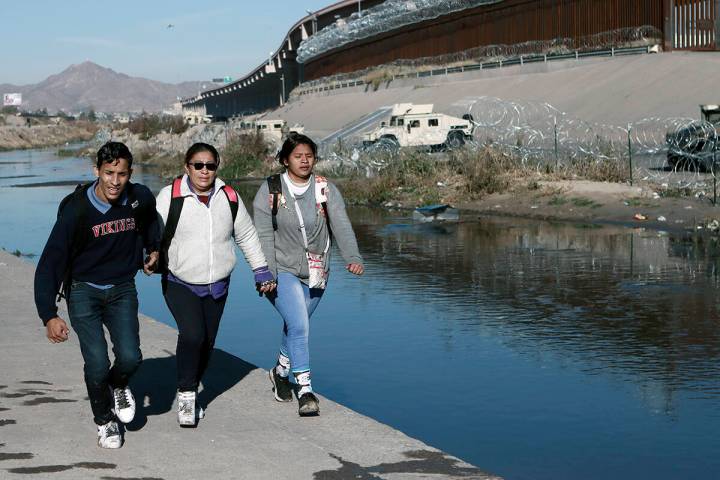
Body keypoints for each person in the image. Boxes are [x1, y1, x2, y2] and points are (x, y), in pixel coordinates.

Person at [34, 141, 160, 449]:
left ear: (130, 173)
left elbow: (151, 221)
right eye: (108, 173)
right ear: (96, 171)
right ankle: (105, 421)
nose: (115, 181)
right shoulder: (76, 210)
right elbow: (51, 261)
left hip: (122, 289)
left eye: (122, 174)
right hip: (83, 292)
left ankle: (118, 385)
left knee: (131, 357)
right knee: (98, 363)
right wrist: (48, 314)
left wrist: (152, 249)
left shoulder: (138, 197)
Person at [156, 142, 275, 427]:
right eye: (198, 165)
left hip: (218, 284)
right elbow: (151, 231)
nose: (204, 171)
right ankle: (186, 395)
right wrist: (144, 257)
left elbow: (245, 235)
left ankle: (193, 385)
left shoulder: (228, 197)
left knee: (208, 342)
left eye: (210, 165)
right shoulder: (170, 196)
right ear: (187, 167)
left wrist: (261, 270)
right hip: (179, 280)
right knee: (193, 335)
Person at [252, 133, 364, 416]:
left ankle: (280, 371)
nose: (304, 161)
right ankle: (305, 389)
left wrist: (352, 256)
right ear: (285, 159)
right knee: (300, 326)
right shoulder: (271, 190)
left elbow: (341, 224)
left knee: (294, 325)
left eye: (309, 156)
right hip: (282, 269)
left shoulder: (325, 188)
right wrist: (267, 273)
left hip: (317, 271)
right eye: (297, 156)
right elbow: (263, 234)